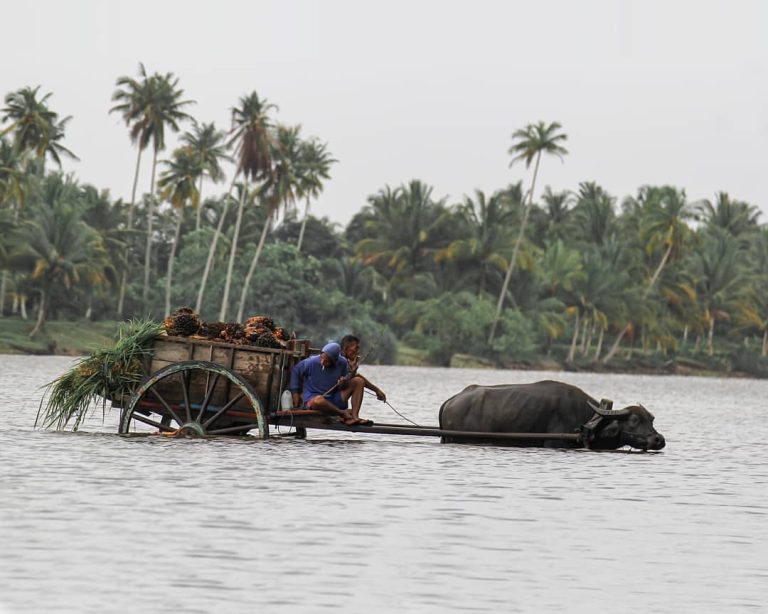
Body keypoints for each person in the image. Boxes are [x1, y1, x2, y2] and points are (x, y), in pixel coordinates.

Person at [289, 342, 371, 426]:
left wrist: (343, 382)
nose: (322, 362)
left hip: (334, 398)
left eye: (327, 361)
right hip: (315, 400)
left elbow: (345, 385)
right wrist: (295, 394)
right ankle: (343, 414)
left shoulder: (342, 363)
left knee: (359, 381)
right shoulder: (311, 362)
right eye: (321, 358)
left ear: (334, 361)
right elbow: (296, 371)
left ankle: (354, 417)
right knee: (318, 400)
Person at [339, 334, 387, 404]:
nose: (358, 352)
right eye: (356, 348)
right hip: (331, 398)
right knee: (359, 381)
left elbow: (355, 375)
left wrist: (376, 390)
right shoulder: (339, 361)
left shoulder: (347, 362)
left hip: (338, 398)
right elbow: (354, 377)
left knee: (358, 380)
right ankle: (353, 414)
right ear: (345, 349)